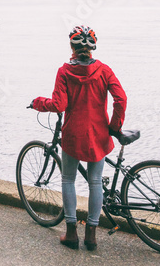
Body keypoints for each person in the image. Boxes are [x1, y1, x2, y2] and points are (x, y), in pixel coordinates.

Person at [30, 25, 126, 251]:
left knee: (68, 180)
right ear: (93, 48)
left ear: (72, 47)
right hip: (98, 135)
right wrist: (113, 127)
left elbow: (59, 105)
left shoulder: (64, 72)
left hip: (73, 134)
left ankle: (71, 233)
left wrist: (38, 102)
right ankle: (91, 236)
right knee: (95, 182)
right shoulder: (104, 70)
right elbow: (121, 99)